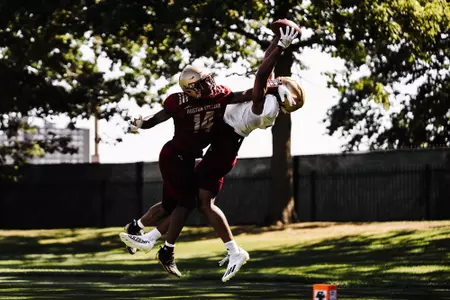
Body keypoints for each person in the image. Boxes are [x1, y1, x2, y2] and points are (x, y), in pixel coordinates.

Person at [120, 25, 303, 282]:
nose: (278, 81)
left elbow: (262, 75)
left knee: (202, 203)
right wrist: (276, 41)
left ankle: (230, 251)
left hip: (223, 148)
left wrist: (282, 47)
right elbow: (265, 69)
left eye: (281, 83)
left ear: (282, 93)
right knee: (189, 200)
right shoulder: (268, 100)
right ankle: (151, 239)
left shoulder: (267, 104)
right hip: (221, 147)